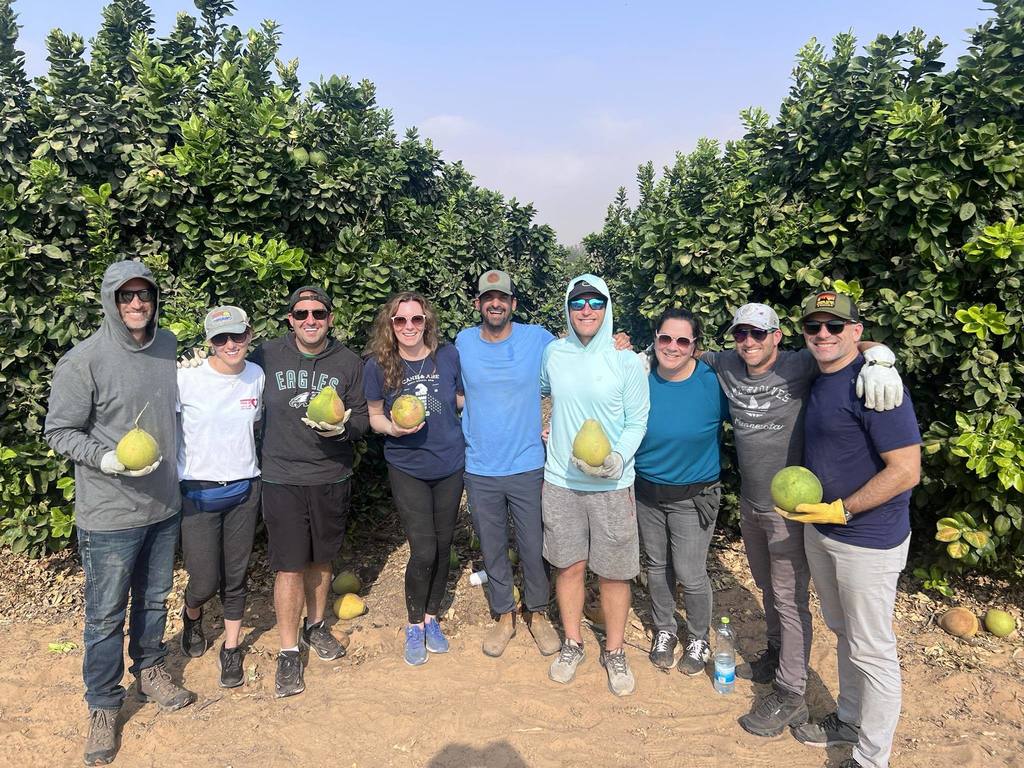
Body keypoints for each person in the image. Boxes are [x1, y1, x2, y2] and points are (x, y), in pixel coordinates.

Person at [696, 301, 904, 738]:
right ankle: (776, 654)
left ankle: (792, 693)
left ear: (777, 337)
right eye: (741, 334)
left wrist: (881, 355)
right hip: (753, 504)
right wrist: (632, 353)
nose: (749, 342)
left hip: (792, 512)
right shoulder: (728, 363)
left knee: (791, 600)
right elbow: (684, 350)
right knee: (768, 587)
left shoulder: (801, 363)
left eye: (759, 334)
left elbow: (846, 345)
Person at [44, 261, 196, 766]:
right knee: (105, 615)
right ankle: (104, 704)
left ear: (155, 299)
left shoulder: (169, 346)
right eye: (126, 296)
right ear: (111, 300)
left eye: (144, 295)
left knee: (154, 600)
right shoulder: (84, 360)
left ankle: (149, 670)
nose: (136, 304)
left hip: (162, 504)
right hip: (109, 512)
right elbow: (59, 430)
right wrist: (104, 458)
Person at [783, 291, 920, 768]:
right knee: (843, 632)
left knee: (873, 649)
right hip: (824, 531)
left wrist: (844, 510)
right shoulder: (824, 373)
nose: (823, 335)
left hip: (868, 538)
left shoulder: (877, 386)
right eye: (814, 327)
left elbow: (906, 469)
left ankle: (870, 758)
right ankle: (848, 716)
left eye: (835, 327)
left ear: (855, 332)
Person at [249, 286, 369, 698]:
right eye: (301, 314)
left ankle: (315, 626)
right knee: (288, 566)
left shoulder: (348, 362)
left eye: (318, 312)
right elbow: (231, 380)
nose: (310, 320)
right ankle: (287, 650)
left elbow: (363, 419)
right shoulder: (266, 355)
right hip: (281, 477)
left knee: (322, 560)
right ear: (290, 319)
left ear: (331, 318)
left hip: (330, 477)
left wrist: (345, 429)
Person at [541, 274, 649, 697]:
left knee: (614, 573)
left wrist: (618, 457)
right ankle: (572, 643)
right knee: (568, 565)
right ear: (568, 308)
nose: (586, 309)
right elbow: (536, 391)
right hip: (561, 482)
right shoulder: (553, 353)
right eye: (578, 302)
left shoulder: (626, 361)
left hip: (612, 484)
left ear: (607, 308)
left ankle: (616, 650)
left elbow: (638, 419)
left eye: (595, 302)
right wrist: (544, 427)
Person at [455, 270, 561, 659]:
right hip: (480, 465)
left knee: (534, 545)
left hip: (527, 464)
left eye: (502, 298)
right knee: (494, 546)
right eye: (488, 298)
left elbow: (574, 361)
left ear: (513, 304)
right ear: (478, 304)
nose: (495, 303)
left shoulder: (537, 339)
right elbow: (454, 390)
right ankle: (505, 615)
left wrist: (615, 343)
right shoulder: (463, 342)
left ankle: (538, 612)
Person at [364, 292, 465, 666]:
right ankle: (413, 625)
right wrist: (392, 427)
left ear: (427, 322)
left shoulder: (448, 356)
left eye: (416, 320)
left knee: (442, 547)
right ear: (390, 326)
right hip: (407, 465)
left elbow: (462, 398)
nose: (409, 327)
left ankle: (431, 618)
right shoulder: (378, 365)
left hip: (450, 464)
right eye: (401, 320)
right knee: (423, 549)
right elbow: (374, 416)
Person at [633, 308, 730, 675]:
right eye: (665, 338)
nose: (672, 347)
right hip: (647, 492)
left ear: (694, 347)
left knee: (690, 573)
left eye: (682, 341)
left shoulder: (712, 381)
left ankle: (699, 636)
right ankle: (665, 630)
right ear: (654, 338)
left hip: (693, 495)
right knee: (657, 567)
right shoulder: (639, 376)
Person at [176, 306, 264, 689]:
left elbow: (256, 425)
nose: (231, 345)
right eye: (220, 338)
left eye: (237, 336)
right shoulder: (185, 380)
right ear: (208, 341)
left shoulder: (256, 377)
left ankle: (231, 648)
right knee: (204, 580)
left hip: (245, 488)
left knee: (236, 575)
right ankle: (192, 613)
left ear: (249, 335)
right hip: (198, 492)